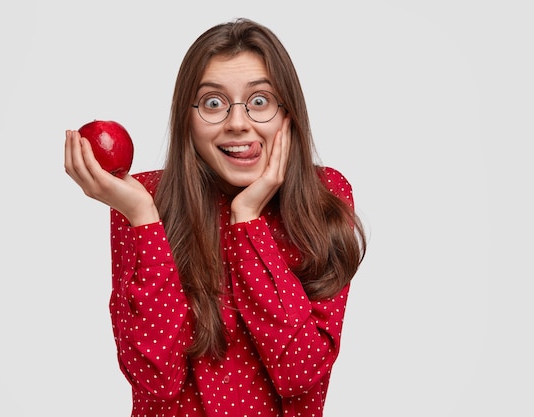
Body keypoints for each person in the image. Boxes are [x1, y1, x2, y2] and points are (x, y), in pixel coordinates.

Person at [64, 17, 366, 417]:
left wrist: (248, 220)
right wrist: (142, 218)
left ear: (287, 113)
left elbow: (299, 372)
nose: (237, 122)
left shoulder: (323, 197)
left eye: (259, 101)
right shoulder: (144, 201)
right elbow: (156, 381)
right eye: (213, 103)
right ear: (186, 120)